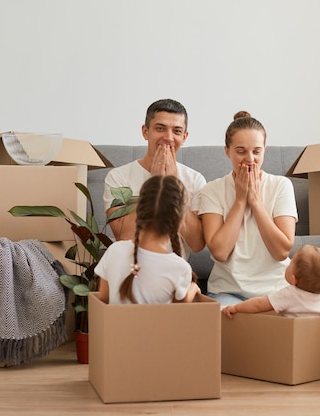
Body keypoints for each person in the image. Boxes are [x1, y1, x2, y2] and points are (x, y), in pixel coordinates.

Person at [199, 111, 298, 306]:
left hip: (276, 290)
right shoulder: (212, 190)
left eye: (256, 151)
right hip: (227, 291)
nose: (250, 159)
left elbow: (281, 251)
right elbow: (220, 252)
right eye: (241, 151)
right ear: (227, 151)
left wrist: (255, 201)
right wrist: (240, 201)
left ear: (264, 150)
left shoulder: (281, 185)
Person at [103, 99, 206, 259]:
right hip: (131, 271)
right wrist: (155, 185)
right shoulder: (118, 177)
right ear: (145, 131)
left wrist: (172, 186)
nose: (168, 137)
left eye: (177, 131)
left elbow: (197, 243)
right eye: (160, 128)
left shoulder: (195, 180)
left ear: (184, 137)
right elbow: (123, 235)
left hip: (175, 273)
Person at [95, 175, 201, 304]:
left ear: (138, 211)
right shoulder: (179, 268)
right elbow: (179, 312)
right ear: (180, 219)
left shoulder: (114, 250)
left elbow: (103, 298)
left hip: (115, 324)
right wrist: (193, 288)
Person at [221, 245, 320, 318]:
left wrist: (236, 308)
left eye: (291, 263)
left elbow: (259, 305)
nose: (289, 262)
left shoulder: (290, 294)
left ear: (293, 279)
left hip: (291, 338)